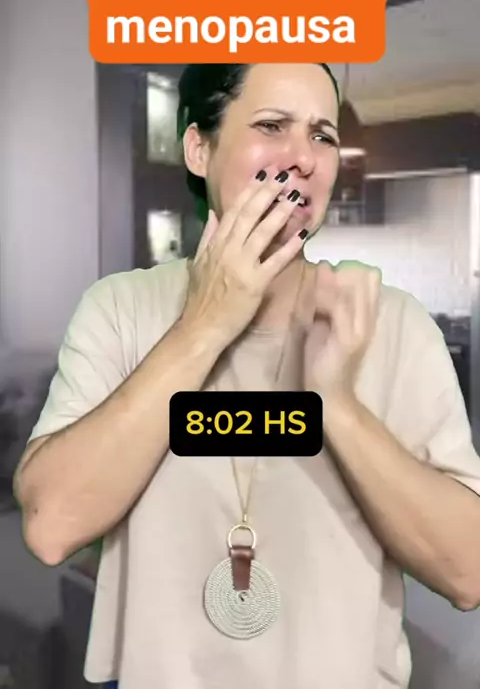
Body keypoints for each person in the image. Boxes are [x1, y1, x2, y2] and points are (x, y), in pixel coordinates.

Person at [13, 62, 480, 689]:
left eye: (322, 135)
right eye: (272, 125)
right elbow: (51, 526)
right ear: (199, 149)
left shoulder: (393, 326)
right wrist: (202, 327)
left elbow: (468, 571)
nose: (304, 158)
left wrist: (337, 407)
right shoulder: (119, 310)